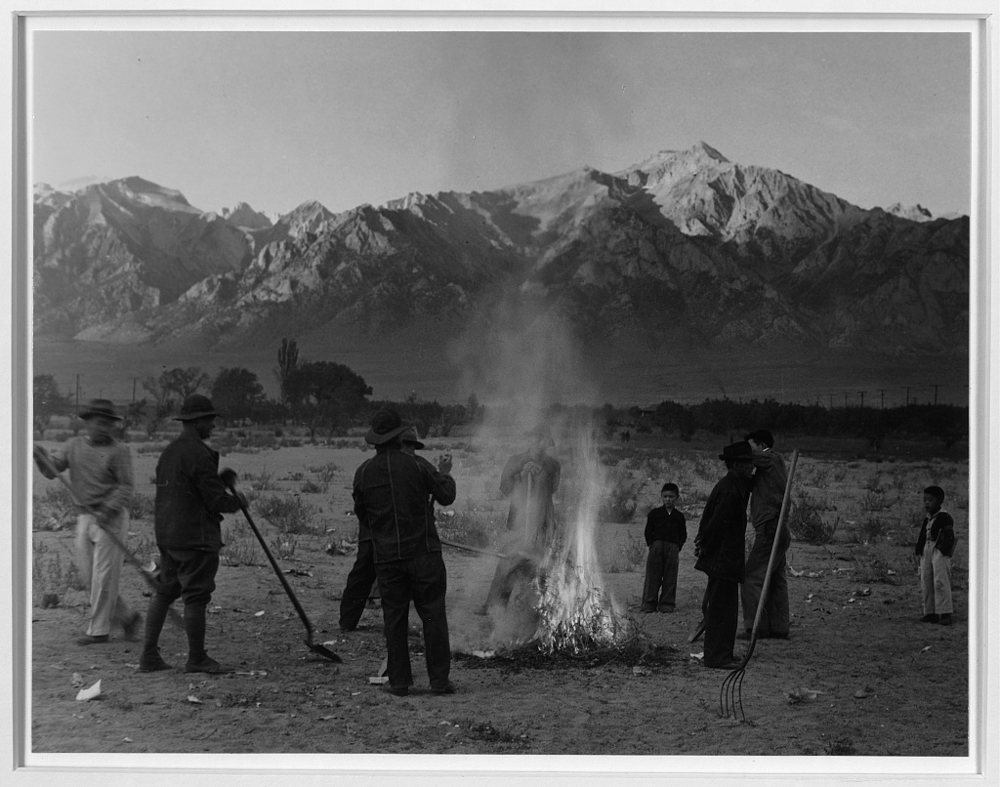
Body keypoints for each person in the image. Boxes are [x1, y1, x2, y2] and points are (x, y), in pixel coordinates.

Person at [139, 394, 247, 674]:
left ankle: (149, 657)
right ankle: (196, 658)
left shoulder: (171, 451)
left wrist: (219, 480)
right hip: (194, 538)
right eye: (209, 419)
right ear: (196, 421)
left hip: (168, 535)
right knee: (196, 596)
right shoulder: (198, 453)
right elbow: (214, 501)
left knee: (164, 592)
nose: (213, 425)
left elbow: (187, 487)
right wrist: (237, 501)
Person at [353, 410, 457, 696]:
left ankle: (399, 682)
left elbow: (364, 516)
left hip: (386, 558)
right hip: (424, 553)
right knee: (433, 615)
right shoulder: (417, 465)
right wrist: (445, 475)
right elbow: (446, 495)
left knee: (394, 619)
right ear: (399, 437)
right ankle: (439, 680)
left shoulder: (363, 473)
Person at [33, 399, 141, 646]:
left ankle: (98, 631)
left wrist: (108, 509)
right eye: (99, 423)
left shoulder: (119, 451)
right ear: (88, 423)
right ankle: (127, 617)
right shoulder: (73, 446)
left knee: (103, 576)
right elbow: (52, 470)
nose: (104, 428)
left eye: (108, 424)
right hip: (84, 516)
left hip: (110, 518)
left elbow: (126, 487)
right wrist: (40, 457)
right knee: (90, 576)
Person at [337, 426, 428, 632]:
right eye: (408, 446)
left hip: (390, 533)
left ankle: (400, 628)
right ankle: (347, 622)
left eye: (414, 447)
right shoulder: (381, 468)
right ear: (397, 445)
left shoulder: (372, 467)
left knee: (390, 579)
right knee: (365, 574)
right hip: (378, 533)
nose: (412, 451)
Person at [484, 425, 562, 610]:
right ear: (529, 440)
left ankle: (541, 607)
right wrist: (521, 474)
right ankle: (494, 605)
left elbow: (553, 490)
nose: (539, 443)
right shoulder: (515, 461)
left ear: (547, 443)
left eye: (543, 440)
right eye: (535, 438)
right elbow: (504, 488)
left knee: (541, 564)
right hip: (520, 521)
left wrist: (539, 476)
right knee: (508, 561)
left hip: (543, 520)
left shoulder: (553, 465)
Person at [693, 441, 754, 669]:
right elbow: (715, 525)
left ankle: (723, 653)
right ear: (736, 465)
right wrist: (703, 543)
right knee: (720, 609)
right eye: (747, 464)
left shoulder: (736, 484)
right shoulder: (729, 491)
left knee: (726, 609)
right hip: (722, 558)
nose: (752, 468)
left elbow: (756, 480)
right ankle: (716, 657)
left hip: (726, 558)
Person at [738, 430, 790, 640]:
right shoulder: (769, 467)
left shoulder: (770, 458)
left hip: (770, 527)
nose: (750, 451)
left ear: (761, 445)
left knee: (750, 577)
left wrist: (737, 454)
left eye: (751, 446)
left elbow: (749, 457)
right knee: (776, 578)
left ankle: (755, 627)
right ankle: (779, 627)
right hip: (777, 527)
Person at [641, 483, 687, 613]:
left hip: (672, 548)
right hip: (656, 546)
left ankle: (667, 604)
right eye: (665, 496)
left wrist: (678, 546)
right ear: (661, 496)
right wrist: (652, 544)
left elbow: (683, 534)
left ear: (677, 497)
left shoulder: (679, 516)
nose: (668, 499)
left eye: (671, 496)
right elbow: (648, 531)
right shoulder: (655, 514)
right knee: (653, 575)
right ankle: (649, 603)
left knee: (670, 576)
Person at [915, 485, 956, 626]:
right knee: (926, 580)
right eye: (925, 500)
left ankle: (945, 613)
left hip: (939, 549)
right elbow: (922, 535)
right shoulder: (928, 518)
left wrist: (943, 552)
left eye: (930, 500)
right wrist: (919, 549)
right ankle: (930, 612)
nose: (926, 503)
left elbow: (949, 536)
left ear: (939, 501)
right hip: (926, 550)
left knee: (940, 580)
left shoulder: (944, 517)